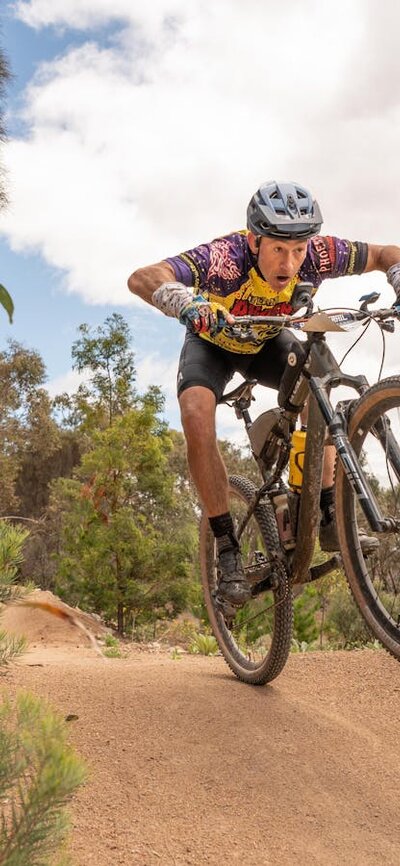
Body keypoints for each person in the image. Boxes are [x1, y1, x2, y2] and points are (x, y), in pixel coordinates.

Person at [128, 180, 400, 608]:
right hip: (214, 341)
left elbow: (387, 254)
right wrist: (190, 306)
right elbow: (143, 278)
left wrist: (397, 277)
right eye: (277, 249)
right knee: (196, 412)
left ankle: (325, 510)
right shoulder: (224, 257)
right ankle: (227, 549)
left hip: (267, 340)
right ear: (254, 240)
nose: (290, 264)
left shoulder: (323, 253)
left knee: (322, 381)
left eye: (299, 250)